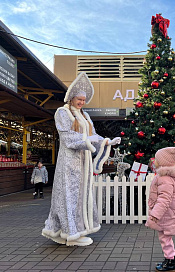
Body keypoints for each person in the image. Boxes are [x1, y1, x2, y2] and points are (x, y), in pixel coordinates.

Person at [42, 72, 121, 247]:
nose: (82, 103)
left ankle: (74, 231)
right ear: (71, 98)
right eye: (79, 99)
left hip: (83, 163)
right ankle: (70, 233)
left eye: (83, 100)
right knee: (69, 195)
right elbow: (67, 138)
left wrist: (107, 141)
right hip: (69, 162)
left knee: (81, 196)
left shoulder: (85, 116)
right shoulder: (62, 113)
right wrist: (87, 140)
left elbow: (93, 135)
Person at [145, 147, 175, 272]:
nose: (154, 161)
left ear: (163, 162)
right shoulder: (163, 176)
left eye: (156, 159)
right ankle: (170, 259)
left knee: (165, 238)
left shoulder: (165, 179)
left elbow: (164, 199)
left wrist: (154, 215)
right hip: (166, 214)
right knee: (165, 238)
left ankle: (171, 262)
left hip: (165, 214)